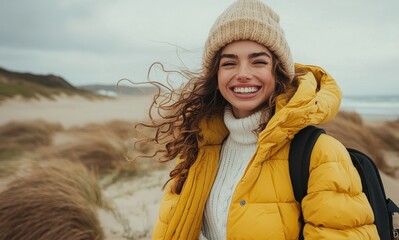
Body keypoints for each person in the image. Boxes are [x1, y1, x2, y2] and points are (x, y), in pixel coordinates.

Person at [145, 0, 379, 239]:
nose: (243, 74)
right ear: (216, 75)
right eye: (229, 63)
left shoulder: (320, 154)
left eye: (258, 61)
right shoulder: (196, 149)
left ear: (277, 72)